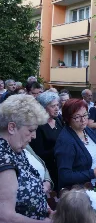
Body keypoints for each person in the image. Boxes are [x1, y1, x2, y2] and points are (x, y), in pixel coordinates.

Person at [0, 94, 52, 222]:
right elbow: (5, 217)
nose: (34, 136)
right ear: (12, 127)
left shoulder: (15, 149)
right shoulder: (4, 157)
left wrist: (47, 209)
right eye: (30, 130)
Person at [55, 99, 96, 191]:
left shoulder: (87, 130)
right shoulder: (65, 141)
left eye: (85, 115)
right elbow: (64, 175)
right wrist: (92, 173)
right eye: (77, 117)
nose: (83, 120)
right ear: (67, 118)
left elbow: (94, 151)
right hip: (80, 193)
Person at [31, 91, 64, 190]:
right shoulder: (39, 126)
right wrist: (58, 149)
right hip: (49, 171)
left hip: (61, 167)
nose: (57, 108)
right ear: (43, 108)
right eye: (53, 106)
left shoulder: (58, 120)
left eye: (57, 105)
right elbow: (39, 154)